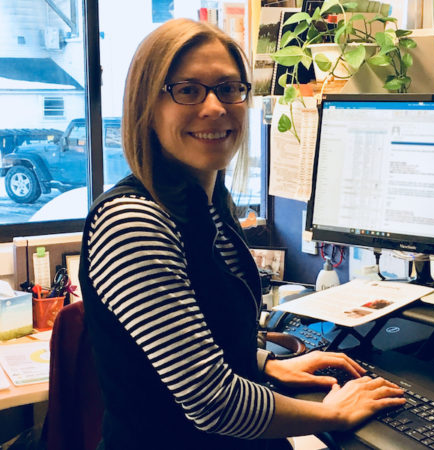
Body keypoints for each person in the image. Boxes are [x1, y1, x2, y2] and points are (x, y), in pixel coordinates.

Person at [79, 18, 405, 450]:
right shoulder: (135, 222)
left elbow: (191, 344)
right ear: (147, 107)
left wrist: (265, 363)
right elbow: (212, 401)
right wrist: (334, 413)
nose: (215, 107)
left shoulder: (208, 203)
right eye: (188, 90)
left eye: (229, 88)